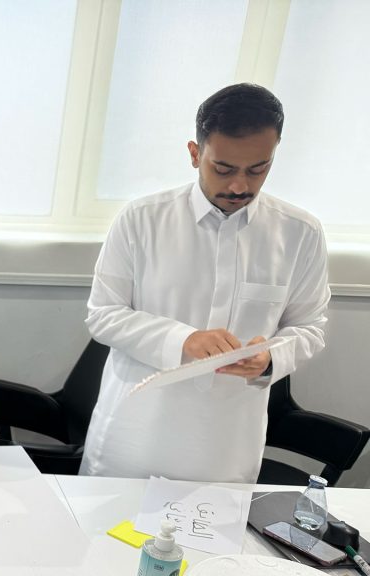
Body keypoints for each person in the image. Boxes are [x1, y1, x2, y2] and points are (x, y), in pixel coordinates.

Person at [79, 84, 330, 483]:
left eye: (257, 169)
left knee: (221, 526)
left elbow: (310, 326)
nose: (239, 186)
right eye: (224, 169)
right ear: (195, 154)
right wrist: (184, 340)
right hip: (133, 438)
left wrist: (271, 357)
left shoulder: (300, 233)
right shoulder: (142, 219)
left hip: (228, 447)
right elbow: (104, 315)